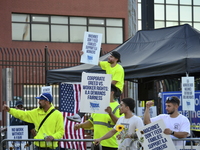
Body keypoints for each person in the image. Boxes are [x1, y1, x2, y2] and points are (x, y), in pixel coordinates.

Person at [67, 51, 124, 122]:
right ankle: (79, 115)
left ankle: (79, 115)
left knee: (96, 95)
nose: (108, 58)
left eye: (111, 57)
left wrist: (100, 89)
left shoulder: (119, 69)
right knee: (92, 96)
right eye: (109, 56)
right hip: (108, 88)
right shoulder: (107, 64)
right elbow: (95, 61)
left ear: (116, 59)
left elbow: (113, 83)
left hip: (116, 90)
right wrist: (85, 55)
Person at [74, 84, 123, 150]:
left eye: (104, 91)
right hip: (96, 143)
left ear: (112, 92)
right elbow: (91, 122)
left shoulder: (118, 107)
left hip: (111, 144)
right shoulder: (98, 106)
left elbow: (120, 125)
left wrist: (110, 114)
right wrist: (80, 126)